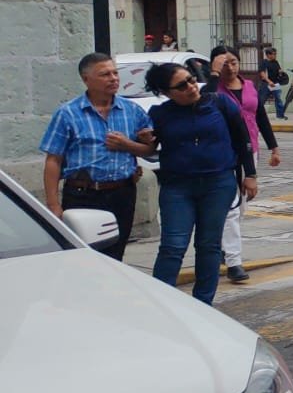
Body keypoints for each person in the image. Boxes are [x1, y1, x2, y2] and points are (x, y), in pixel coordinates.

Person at [142, 62, 256, 305]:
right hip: (177, 187)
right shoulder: (159, 114)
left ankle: (203, 304)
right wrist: (142, 141)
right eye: (182, 85)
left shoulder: (219, 104)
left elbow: (242, 139)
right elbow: (149, 152)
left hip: (218, 183)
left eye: (192, 79)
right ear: (166, 92)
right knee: (173, 245)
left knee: (209, 245)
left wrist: (250, 175)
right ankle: (161, 304)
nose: (191, 87)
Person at [39, 52, 155, 261]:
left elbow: (149, 150)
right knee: (84, 255)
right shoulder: (68, 113)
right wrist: (53, 205)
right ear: (86, 79)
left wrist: (128, 145)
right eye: (105, 74)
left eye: (114, 73)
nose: (113, 78)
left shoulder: (131, 110)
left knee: (115, 254)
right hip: (83, 194)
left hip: (122, 192)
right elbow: (53, 160)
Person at [203, 46, 281, 282]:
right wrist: (213, 75)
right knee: (230, 210)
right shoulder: (211, 89)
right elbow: (203, 105)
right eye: (224, 63)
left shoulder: (249, 87)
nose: (230, 67)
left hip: (249, 151)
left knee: (240, 208)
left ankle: (224, 249)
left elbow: (260, 117)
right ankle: (232, 259)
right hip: (221, 155)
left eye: (234, 62)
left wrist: (273, 147)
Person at [259, 46, 289, 119]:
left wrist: (281, 72)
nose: (275, 55)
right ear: (268, 55)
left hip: (275, 84)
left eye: (275, 54)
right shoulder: (264, 62)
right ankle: (258, 115)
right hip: (266, 84)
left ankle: (280, 115)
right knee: (261, 100)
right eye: (273, 54)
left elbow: (279, 70)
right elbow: (262, 74)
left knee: (278, 99)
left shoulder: (275, 62)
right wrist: (269, 82)